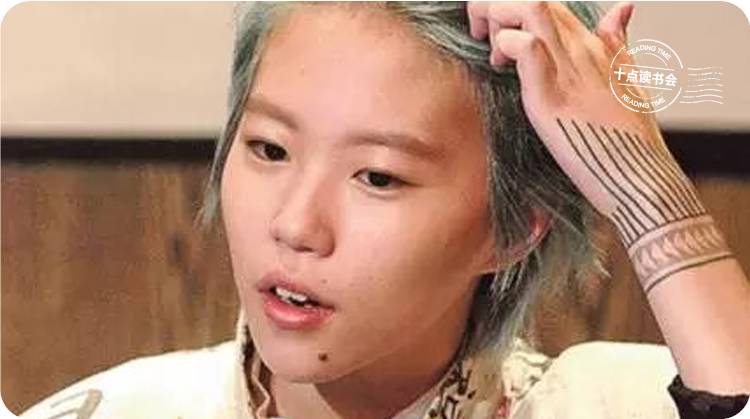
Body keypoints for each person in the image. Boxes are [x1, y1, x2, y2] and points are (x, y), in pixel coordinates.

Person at [20, 2, 750, 418]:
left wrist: (646, 189)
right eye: (269, 149)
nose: (295, 226)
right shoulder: (120, 409)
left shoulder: (617, 403)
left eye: (377, 176)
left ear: (513, 228)